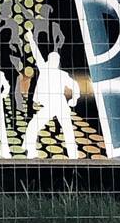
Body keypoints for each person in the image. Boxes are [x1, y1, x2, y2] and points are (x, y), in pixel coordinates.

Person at [23, 30, 79, 159]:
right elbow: (75, 86)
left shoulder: (46, 69)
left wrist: (31, 39)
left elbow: (37, 55)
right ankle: (73, 155)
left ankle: (31, 151)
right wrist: (74, 100)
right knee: (68, 131)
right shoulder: (61, 74)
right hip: (60, 104)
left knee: (34, 125)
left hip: (55, 104)